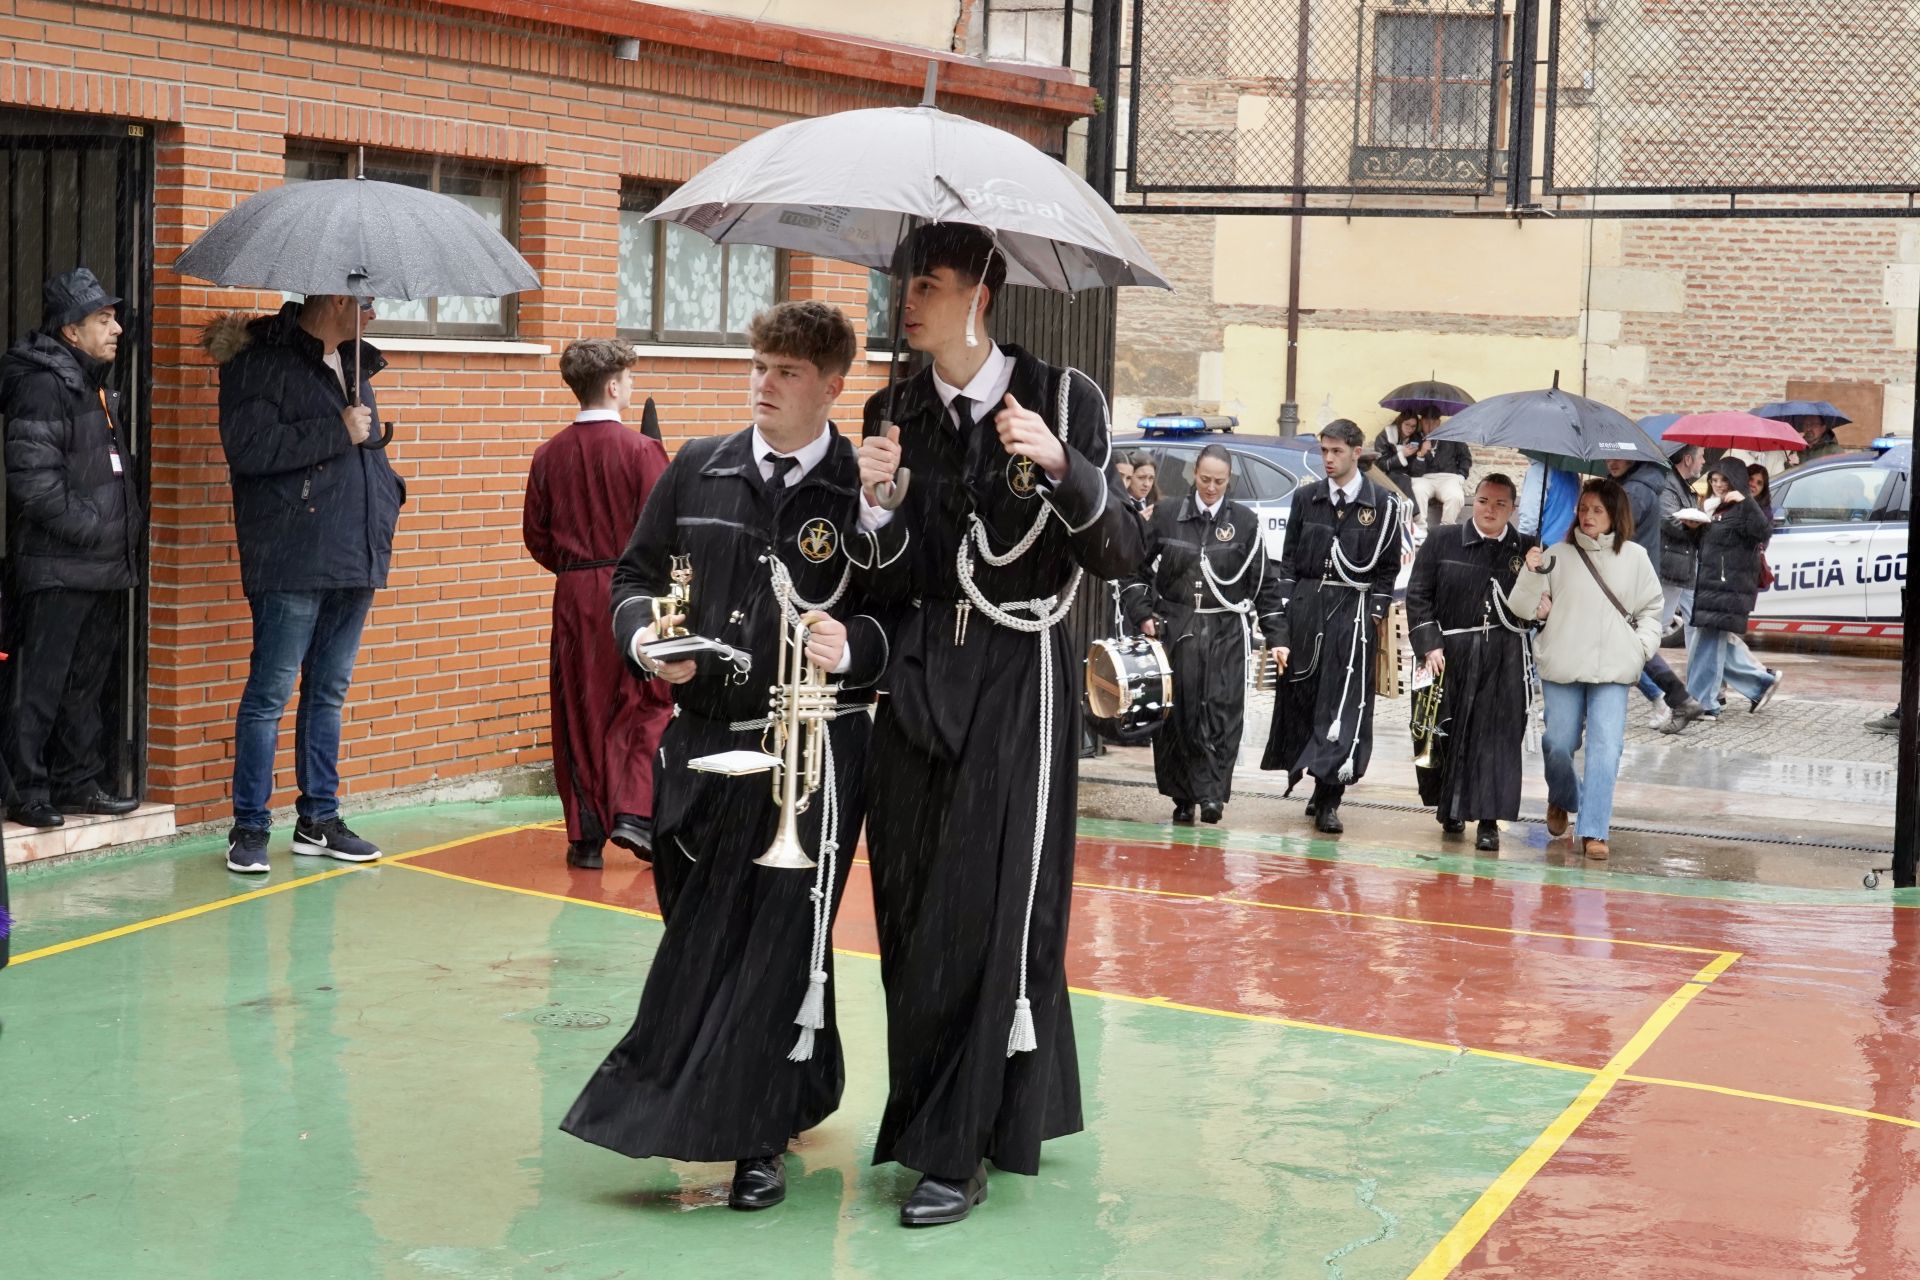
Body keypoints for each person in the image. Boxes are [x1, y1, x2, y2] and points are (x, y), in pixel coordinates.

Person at [562, 301, 892, 1212]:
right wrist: (643, 643)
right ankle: (799, 1080)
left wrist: (854, 644)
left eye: (787, 371)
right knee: (698, 931)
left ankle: (751, 1141)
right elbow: (634, 574)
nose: (765, 384)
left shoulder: (857, 495)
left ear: (833, 386)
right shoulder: (696, 464)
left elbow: (893, 615)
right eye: (759, 365)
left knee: (777, 943)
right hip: (698, 743)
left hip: (810, 751)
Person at [852, 222, 1145, 1226]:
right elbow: (885, 580)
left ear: (980, 292)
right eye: (905, 283)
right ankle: (981, 1103)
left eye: (927, 283)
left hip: (1021, 672)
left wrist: (1064, 465)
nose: (908, 300)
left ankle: (957, 1145)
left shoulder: (1064, 397)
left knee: (991, 906)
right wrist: (878, 510)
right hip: (923, 673)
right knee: (909, 899)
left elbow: (1117, 552)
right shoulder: (892, 408)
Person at [202, 295, 405, 873]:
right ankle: (248, 828)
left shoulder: (356, 363)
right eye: (368, 302)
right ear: (338, 297)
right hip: (291, 554)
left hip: (355, 550)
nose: (377, 313)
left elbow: (360, 452)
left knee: (328, 694)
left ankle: (318, 820)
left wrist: (388, 493)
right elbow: (249, 449)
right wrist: (336, 429)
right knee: (268, 696)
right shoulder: (259, 362)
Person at [0, 268, 145, 828]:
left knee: (85, 683)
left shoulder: (92, 381)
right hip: (62, 565)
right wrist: (92, 526)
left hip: (100, 564)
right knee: (40, 683)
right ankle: (28, 790)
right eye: (102, 321)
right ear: (69, 330)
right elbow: (33, 480)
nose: (116, 330)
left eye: (114, 319)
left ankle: (78, 781)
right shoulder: (43, 383)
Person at [523, 339, 673, 870]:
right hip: (630, 589)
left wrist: (576, 570)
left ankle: (585, 833)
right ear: (612, 385)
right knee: (646, 698)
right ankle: (633, 811)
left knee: (577, 709)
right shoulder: (642, 452)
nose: (631, 387)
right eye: (628, 378)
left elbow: (537, 537)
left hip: (572, 592)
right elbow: (664, 532)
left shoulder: (548, 455)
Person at [1122, 444, 1284, 825]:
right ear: (1194, 474)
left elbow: (1263, 584)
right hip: (1175, 628)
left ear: (1231, 480)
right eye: (1205, 479)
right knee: (1180, 713)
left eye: (1220, 481)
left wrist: (1278, 637)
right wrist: (1144, 615)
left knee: (1223, 711)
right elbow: (1133, 569)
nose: (1211, 488)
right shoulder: (1165, 515)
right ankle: (1182, 795)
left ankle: (1213, 793)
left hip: (1225, 630)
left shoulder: (1244, 522)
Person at [1258, 418, 1405, 834]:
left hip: (1352, 611)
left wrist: (1374, 613)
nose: (1328, 458)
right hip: (1308, 608)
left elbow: (1387, 569)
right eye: (1324, 450)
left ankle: (1329, 795)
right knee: (1304, 698)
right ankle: (1310, 774)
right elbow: (1288, 559)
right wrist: (1287, 612)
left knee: (1342, 706)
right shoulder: (1307, 499)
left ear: (1357, 452)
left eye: (1337, 451)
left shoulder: (1380, 505)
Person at [1504, 479, 1663, 860]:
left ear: (1614, 516)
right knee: (1558, 743)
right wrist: (1530, 572)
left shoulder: (1636, 558)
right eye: (1583, 508)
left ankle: (1594, 829)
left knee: (1606, 749)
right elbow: (1522, 609)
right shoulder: (1556, 554)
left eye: (1597, 510)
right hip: (1562, 663)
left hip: (1614, 668)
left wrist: (1641, 649)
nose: (1587, 516)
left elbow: (1652, 611)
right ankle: (1561, 797)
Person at [1405, 475, 1535, 852]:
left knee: (1494, 740)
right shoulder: (1443, 539)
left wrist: (1536, 575)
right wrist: (1429, 644)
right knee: (1447, 734)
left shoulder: (1526, 550)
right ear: (1471, 501)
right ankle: (1451, 806)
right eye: (1482, 501)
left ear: (1513, 509)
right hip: (1450, 653)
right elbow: (1418, 595)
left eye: (1499, 504)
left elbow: (1534, 613)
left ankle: (1489, 820)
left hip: (1503, 657)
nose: (1489, 510)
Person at [1666, 459, 1781, 728]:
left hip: (1728, 587)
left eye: (1724, 481)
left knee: (1707, 646)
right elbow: (1708, 545)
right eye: (1714, 480)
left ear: (1735, 481)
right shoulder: (1714, 507)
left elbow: (1763, 531)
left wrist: (1745, 499)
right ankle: (1755, 685)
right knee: (1709, 645)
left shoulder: (1743, 507)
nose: (1718, 486)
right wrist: (1692, 529)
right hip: (1710, 585)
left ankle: (1703, 702)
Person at [1609, 457, 1707, 732]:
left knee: (1629, 643)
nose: (1611, 462)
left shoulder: (1635, 491)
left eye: (1618, 457)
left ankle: (1678, 697)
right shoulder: (1636, 485)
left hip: (1626, 577)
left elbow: (1614, 532)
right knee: (1627, 642)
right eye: (1609, 456)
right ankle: (1679, 698)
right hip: (1633, 573)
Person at [1637, 443, 1707, 726]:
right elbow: (1667, 521)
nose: (1703, 462)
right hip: (1667, 568)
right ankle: (1674, 699)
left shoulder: (1685, 486)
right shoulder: (1669, 485)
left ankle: (1675, 699)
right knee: (1644, 639)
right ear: (1688, 459)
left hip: (1678, 568)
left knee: (1644, 640)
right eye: (1701, 456)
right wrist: (1688, 526)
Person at [1373, 409, 1470, 534]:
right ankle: (1420, 530)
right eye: (1426, 422)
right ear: (1421, 422)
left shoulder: (1452, 435)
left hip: (1449, 477)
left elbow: (1465, 458)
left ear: (1439, 422)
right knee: (1418, 491)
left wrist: (1461, 476)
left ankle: (1445, 530)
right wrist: (1421, 454)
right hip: (1424, 477)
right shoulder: (1415, 439)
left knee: (1455, 496)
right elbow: (1414, 471)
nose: (1430, 426)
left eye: (1434, 422)